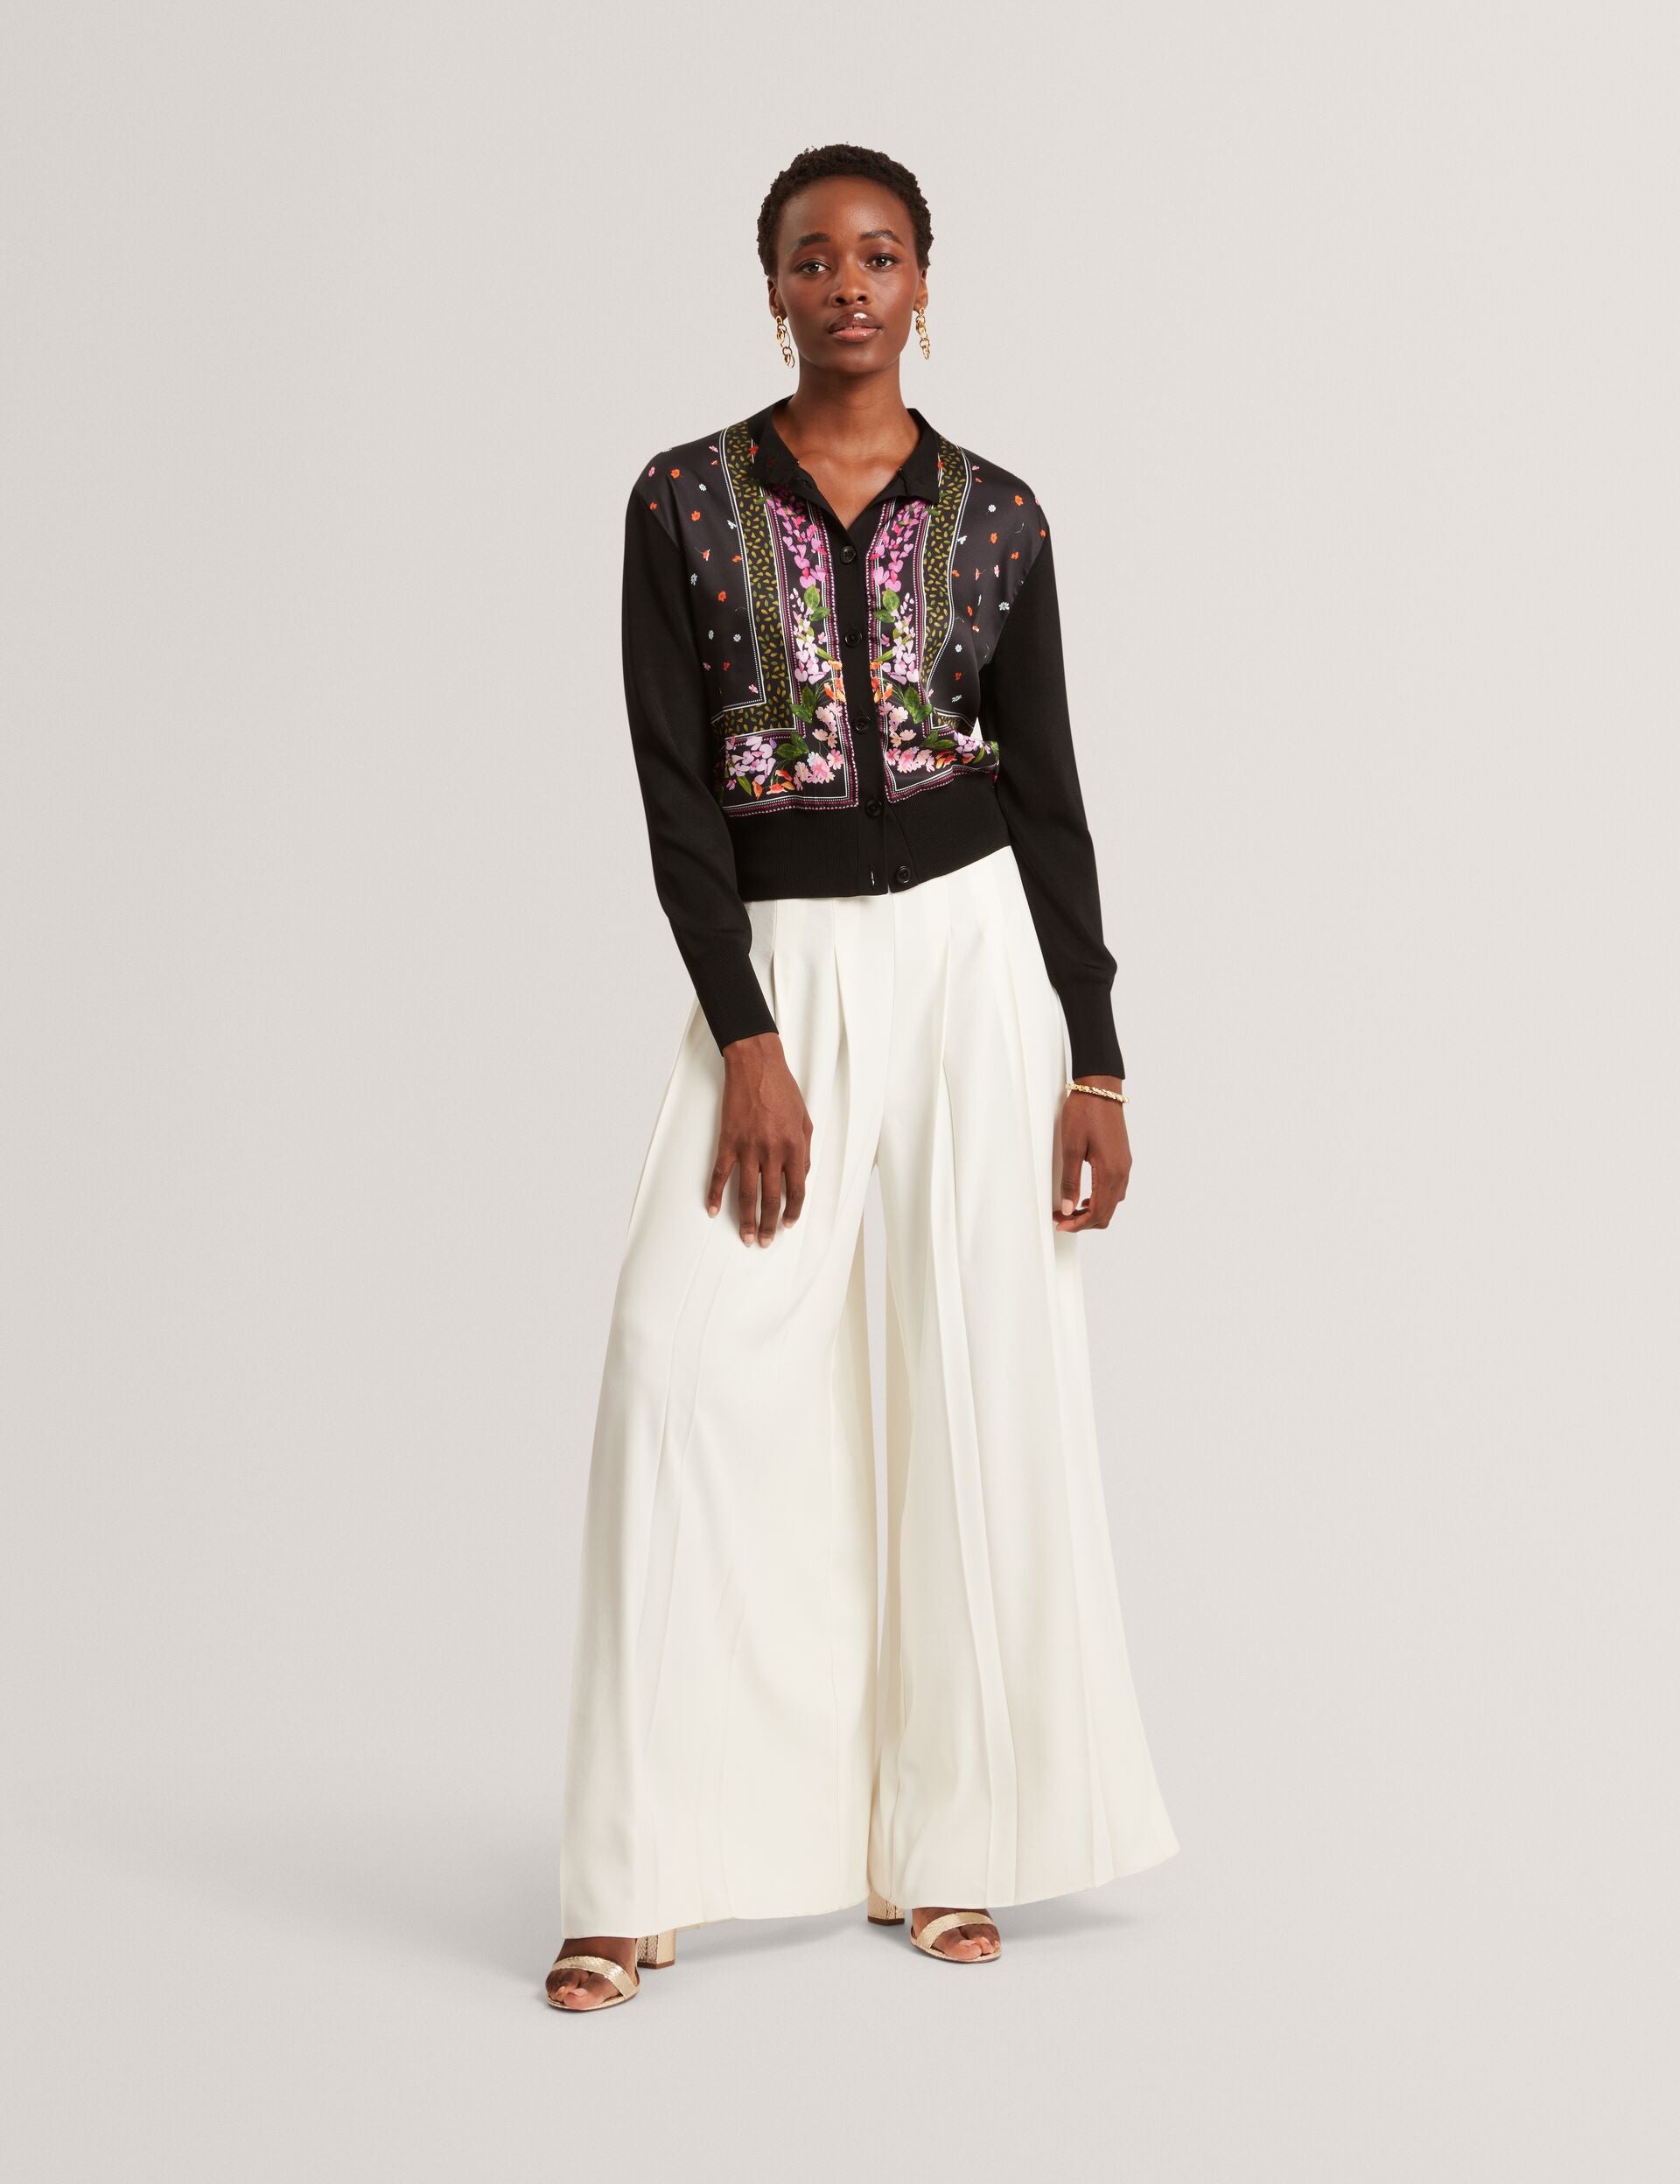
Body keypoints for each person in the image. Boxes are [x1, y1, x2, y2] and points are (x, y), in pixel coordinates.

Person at [546, 142, 1179, 2012]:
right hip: (787, 970)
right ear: (771, 289)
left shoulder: (999, 518)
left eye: (879, 254)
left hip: (978, 971)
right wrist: (745, 1032)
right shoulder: (682, 501)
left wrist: (1097, 1058)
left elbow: (1049, 790)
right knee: (681, 1364)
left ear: (923, 284)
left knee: (969, 1382)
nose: (847, 284)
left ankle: (952, 1841)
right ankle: (640, 1870)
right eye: (813, 257)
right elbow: (677, 797)